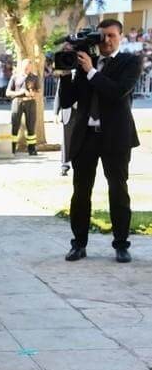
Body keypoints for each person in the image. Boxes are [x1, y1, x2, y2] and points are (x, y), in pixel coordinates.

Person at [58, 19, 142, 264]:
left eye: (111, 36)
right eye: (102, 36)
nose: (106, 41)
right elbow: (66, 101)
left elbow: (117, 92)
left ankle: (121, 245)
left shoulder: (130, 62)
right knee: (81, 192)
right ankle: (78, 244)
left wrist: (91, 72)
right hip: (86, 137)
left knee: (118, 191)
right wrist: (65, 73)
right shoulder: (86, 63)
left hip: (116, 137)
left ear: (121, 37)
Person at [6, 59, 39, 155]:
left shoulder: (35, 77)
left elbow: (39, 92)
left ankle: (32, 149)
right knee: (15, 126)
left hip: (30, 103)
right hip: (17, 102)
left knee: (31, 126)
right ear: (21, 67)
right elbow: (7, 92)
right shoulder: (15, 77)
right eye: (25, 67)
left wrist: (33, 93)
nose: (27, 69)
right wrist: (19, 93)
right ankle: (12, 148)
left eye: (29, 67)